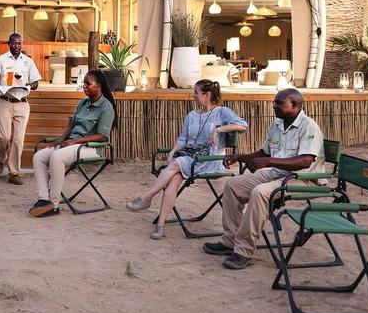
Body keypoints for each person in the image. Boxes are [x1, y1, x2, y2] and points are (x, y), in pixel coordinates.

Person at [202, 87, 324, 269]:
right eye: (274, 102)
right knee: (233, 185)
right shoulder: (277, 124)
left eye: (279, 103)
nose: (274, 105)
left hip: (303, 178)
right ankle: (230, 241)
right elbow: (264, 153)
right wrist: (239, 157)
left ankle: (244, 251)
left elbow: (305, 161)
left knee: (260, 192)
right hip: (277, 173)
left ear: (294, 105)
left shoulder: (308, 126)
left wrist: (268, 161)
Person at [125, 79, 248, 239]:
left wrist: (219, 129)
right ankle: (160, 225)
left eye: (196, 92)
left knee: (176, 165)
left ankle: (147, 197)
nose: (193, 96)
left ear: (207, 95)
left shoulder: (222, 112)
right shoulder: (191, 116)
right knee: (175, 178)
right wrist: (172, 152)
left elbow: (243, 126)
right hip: (189, 160)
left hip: (210, 161)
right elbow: (183, 139)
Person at [29, 69, 116, 217]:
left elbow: (102, 136)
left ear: (98, 85)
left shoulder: (106, 108)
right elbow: (71, 124)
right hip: (72, 144)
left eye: (88, 83)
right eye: (84, 83)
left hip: (90, 148)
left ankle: (53, 204)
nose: (84, 86)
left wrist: (75, 141)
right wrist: (62, 139)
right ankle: (43, 199)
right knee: (39, 157)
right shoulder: (83, 102)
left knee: (57, 157)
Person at [0, 33, 41, 186]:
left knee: (18, 140)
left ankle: (14, 172)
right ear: (9, 44)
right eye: (14, 43)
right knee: (4, 137)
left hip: (22, 103)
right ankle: (1, 159)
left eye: (19, 43)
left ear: (21, 44)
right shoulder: (1, 60)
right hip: (5, 101)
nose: (17, 46)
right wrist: (1, 86)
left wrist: (29, 85)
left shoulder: (28, 61)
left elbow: (36, 82)